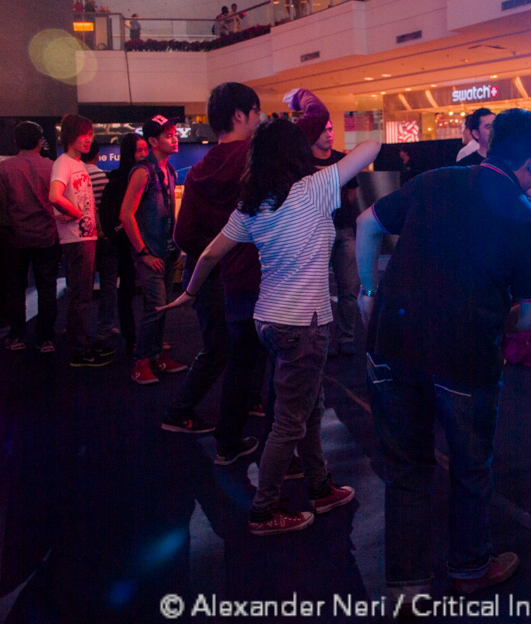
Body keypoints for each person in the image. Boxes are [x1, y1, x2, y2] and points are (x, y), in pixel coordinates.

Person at [355, 108, 531, 603]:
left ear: (490, 143)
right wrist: (497, 322)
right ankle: (469, 568)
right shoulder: (526, 219)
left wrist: (366, 292)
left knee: (406, 472)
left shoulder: (434, 180)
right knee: (469, 468)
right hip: (464, 358)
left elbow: (366, 224)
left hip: (391, 344)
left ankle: (407, 589)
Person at [162, 119, 380, 535]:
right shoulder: (314, 188)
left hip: (268, 320)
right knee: (290, 420)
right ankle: (264, 510)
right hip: (303, 325)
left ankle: (319, 486)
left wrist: (190, 292)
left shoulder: (252, 205)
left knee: (307, 409)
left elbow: (208, 255)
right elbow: (372, 146)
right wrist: (319, 167)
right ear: (296, 155)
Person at [167, 82, 270, 446]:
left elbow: (183, 234)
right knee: (250, 347)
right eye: (256, 112)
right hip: (251, 272)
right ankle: (186, 413)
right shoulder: (256, 160)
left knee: (219, 347)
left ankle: (224, 413)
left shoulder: (198, 170)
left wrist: (215, 253)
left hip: (211, 273)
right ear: (240, 115)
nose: (259, 119)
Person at [290, 88, 361, 356]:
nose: (329, 134)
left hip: (343, 230)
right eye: (323, 130)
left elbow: (352, 194)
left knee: (349, 287)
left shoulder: (342, 159)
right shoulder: (303, 162)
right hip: (314, 231)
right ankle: (322, 339)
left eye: (330, 129)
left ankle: (346, 337)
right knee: (317, 290)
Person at [120, 115, 188, 384]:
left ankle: (157, 355)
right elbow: (126, 214)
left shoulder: (169, 170)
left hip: (166, 251)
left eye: (174, 134)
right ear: (153, 141)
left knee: (163, 306)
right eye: (168, 135)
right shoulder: (143, 171)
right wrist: (143, 252)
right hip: (150, 253)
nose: (175, 139)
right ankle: (141, 362)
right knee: (156, 307)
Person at [50, 113, 111, 368]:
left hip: (84, 236)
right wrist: (77, 214)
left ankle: (80, 341)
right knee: (80, 295)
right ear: (70, 136)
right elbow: (54, 196)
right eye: (83, 134)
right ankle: (79, 349)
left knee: (82, 293)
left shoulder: (75, 163)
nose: (88, 139)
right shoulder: (64, 162)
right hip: (77, 238)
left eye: (90, 135)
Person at [0, 121, 61, 353]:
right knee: (47, 288)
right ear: (40, 142)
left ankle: (17, 336)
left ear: (15, 141)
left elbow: (0, 204)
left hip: (15, 237)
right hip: (46, 235)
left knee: (15, 288)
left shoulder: (5, 168)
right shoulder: (51, 166)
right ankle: (45, 339)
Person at [99, 132, 149, 354]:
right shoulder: (120, 178)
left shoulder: (145, 174)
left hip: (140, 239)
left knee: (146, 291)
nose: (143, 154)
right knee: (127, 289)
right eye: (139, 150)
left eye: (145, 150)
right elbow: (114, 212)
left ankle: (146, 338)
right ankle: (132, 338)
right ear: (129, 152)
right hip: (125, 242)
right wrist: (116, 233)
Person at [81, 142, 117, 352]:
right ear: (97, 155)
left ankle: (79, 329)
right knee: (108, 283)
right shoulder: (102, 177)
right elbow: (108, 208)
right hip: (104, 238)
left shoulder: (76, 175)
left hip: (83, 237)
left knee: (81, 285)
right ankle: (105, 327)